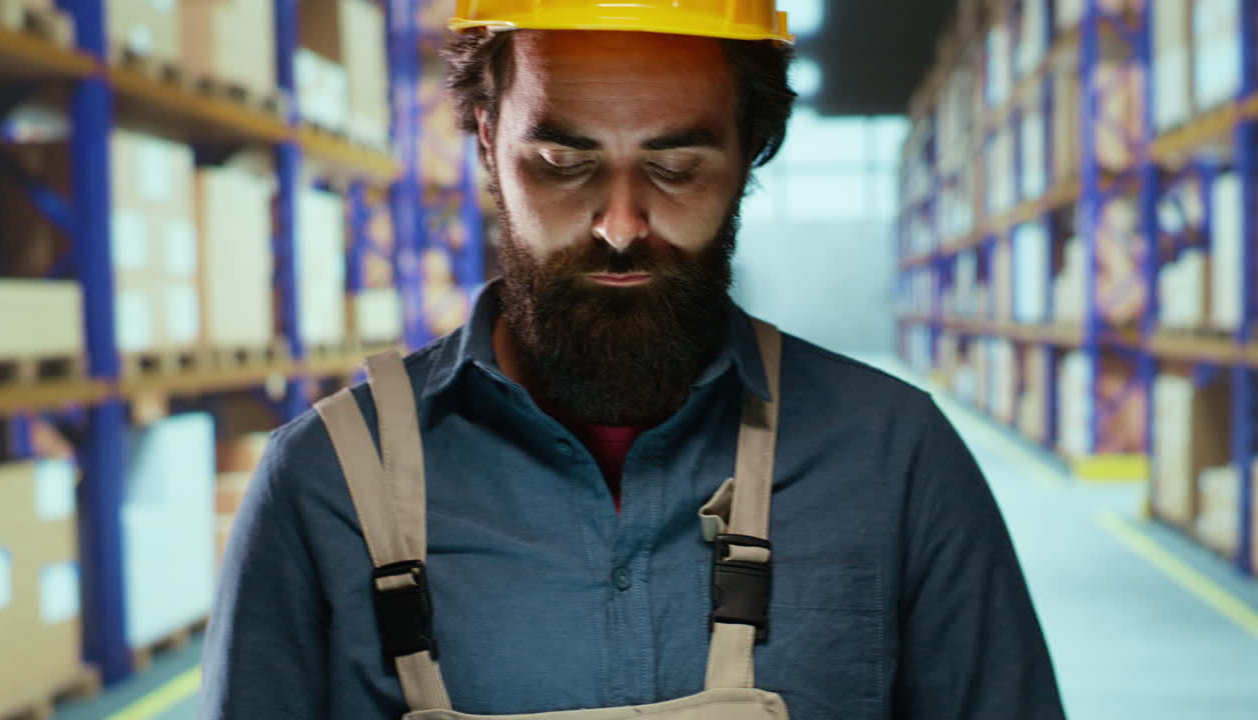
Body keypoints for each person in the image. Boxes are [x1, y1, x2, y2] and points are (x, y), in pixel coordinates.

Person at [200, 1, 1067, 717]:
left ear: (752, 151)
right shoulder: (328, 488)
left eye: (678, 166)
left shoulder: (892, 462)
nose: (621, 224)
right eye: (562, 163)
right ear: (484, 140)